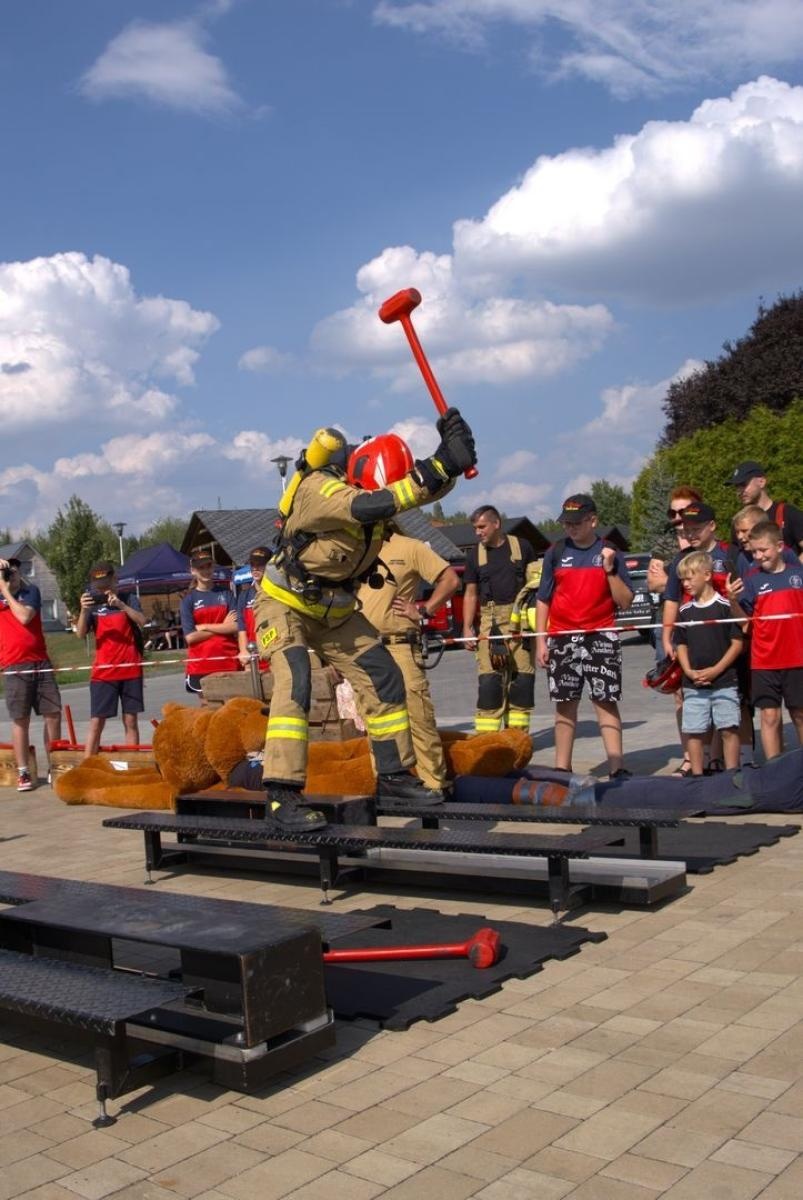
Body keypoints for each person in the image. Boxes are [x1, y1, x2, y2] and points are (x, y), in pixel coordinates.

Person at [253, 409, 476, 831]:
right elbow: (380, 501)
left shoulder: (371, 491)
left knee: (383, 674)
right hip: (285, 602)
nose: (393, 497)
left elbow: (415, 492)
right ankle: (282, 796)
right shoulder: (320, 490)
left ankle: (392, 776)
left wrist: (452, 458)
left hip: (334, 609)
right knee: (295, 677)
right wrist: (442, 465)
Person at [359, 520, 460, 799]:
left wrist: (425, 610)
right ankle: (387, 786)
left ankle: (434, 785)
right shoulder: (356, 552)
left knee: (418, 717)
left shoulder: (410, 547)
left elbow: (450, 579)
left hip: (400, 645)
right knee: (377, 723)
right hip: (366, 651)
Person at [535, 494, 634, 779]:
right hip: (563, 636)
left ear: (593, 521)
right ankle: (562, 768)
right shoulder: (555, 552)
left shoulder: (610, 551)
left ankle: (617, 767)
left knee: (605, 700)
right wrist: (542, 640)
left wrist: (610, 571)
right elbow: (543, 599)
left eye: (576, 522)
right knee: (565, 704)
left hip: (600, 635)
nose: (570, 527)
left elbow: (625, 601)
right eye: (566, 522)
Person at [461, 505, 538, 734]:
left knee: (522, 682)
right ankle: (489, 743)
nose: (478, 532)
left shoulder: (522, 547)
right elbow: (470, 593)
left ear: (496, 524)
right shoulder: (475, 554)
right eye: (475, 528)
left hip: (521, 624)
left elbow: (536, 588)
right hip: (490, 624)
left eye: (482, 526)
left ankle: (517, 739)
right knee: (490, 685)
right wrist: (467, 628)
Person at [731, 520, 803, 760]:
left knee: (800, 714)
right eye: (754, 552)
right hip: (764, 660)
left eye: (764, 550)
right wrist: (732, 601)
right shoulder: (751, 579)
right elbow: (744, 623)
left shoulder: (799, 575)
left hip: (797, 657)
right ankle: (775, 770)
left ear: (780, 546)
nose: (759, 556)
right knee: (769, 717)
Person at [646, 486, 703, 773]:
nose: (678, 518)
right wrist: (681, 580)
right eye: (673, 512)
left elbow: (666, 581)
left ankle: (713, 755)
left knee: (710, 688)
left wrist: (669, 578)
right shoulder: (665, 542)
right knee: (679, 692)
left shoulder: (705, 539)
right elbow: (652, 584)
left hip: (704, 623)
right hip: (669, 624)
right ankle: (689, 757)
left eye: (684, 511)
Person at [673, 551, 743, 775]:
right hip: (693, 684)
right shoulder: (684, 611)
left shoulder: (725, 607)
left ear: (707, 575)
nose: (685, 583)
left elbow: (737, 643)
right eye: (682, 579)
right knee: (694, 731)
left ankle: (732, 775)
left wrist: (717, 670)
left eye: (689, 577)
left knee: (729, 729)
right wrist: (688, 671)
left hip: (724, 681)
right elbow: (681, 644)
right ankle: (697, 776)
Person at [0, 555, 62, 790]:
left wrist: (6, 592)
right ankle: (23, 772)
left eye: (13, 573)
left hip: (40, 662)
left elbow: (25, 617)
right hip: (14, 665)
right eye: (7, 573)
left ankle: (54, 766)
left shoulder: (31, 592)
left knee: (52, 714)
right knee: (20, 719)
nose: (10, 577)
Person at [75, 562, 147, 758]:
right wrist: (83, 610)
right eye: (99, 586)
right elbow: (81, 633)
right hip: (103, 672)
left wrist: (121, 606)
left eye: (107, 584)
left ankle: (132, 764)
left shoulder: (128, 598)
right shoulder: (93, 605)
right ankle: (88, 766)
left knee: (130, 720)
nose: (103, 590)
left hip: (130, 669)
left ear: (115, 580)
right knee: (97, 722)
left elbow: (142, 621)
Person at [180, 552, 241, 703]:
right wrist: (223, 627)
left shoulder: (226, 594)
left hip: (228, 660)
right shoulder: (188, 600)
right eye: (201, 567)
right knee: (208, 711)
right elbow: (191, 637)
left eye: (208, 566)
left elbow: (236, 626)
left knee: (232, 710)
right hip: (201, 664)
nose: (206, 570)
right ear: (193, 571)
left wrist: (205, 627)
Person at [727, 461, 803, 560]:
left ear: (762, 482)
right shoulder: (740, 522)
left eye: (743, 484)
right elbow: (736, 557)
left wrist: (793, 571)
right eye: (737, 487)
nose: (739, 491)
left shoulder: (787, 513)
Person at [237, 546, 271, 673]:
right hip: (253, 656)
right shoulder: (244, 595)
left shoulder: (278, 592)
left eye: (260, 564)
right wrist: (243, 651)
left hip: (275, 653)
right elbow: (242, 628)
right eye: (252, 564)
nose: (255, 568)